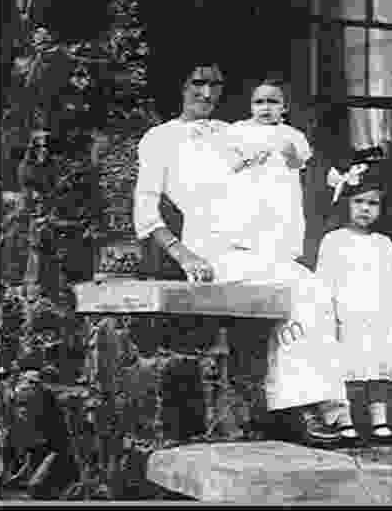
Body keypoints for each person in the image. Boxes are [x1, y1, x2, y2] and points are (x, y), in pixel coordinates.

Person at [132, 60, 348, 448]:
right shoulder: (159, 139)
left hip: (257, 246)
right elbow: (146, 213)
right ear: (179, 87)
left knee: (316, 288)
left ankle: (319, 402)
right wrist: (184, 256)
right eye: (197, 83)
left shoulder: (233, 131)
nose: (207, 93)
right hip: (211, 251)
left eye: (215, 85)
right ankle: (304, 406)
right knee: (303, 292)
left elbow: (284, 171)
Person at [316, 148, 392, 447]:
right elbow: (325, 282)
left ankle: (379, 421)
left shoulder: (384, 243)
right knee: (347, 369)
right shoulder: (334, 241)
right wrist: (330, 315)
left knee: (376, 367)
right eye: (359, 202)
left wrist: (390, 314)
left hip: (376, 314)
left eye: (372, 203)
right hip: (345, 314)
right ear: (346, 204)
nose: (365, 209)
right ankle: (345, 421)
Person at [224, 79, 312, 261]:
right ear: (250, 106)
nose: (265, 107)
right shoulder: (237, 131)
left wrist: (290, 155)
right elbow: (227, 168)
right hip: (248, 197)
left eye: (272, 102)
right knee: (246, 248)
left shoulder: (293, 135)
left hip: (280, 199)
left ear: (284, 108)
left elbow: (298, 165)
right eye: (259, 102)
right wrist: (249, 160)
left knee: (278, 251)